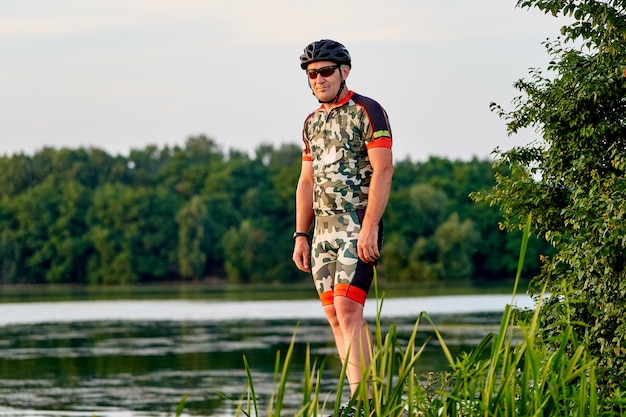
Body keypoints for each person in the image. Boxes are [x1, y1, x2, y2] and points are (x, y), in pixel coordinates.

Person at [292, 39, 394, 416]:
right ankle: (361, 401)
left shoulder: (368, 110)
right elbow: (305, 181)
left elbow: (383, 170)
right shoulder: (311, 122)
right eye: (311, 74)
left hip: (356, 223)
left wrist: (370, 228)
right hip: (321, 232)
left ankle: (369, 402)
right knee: (334, 315)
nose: (318, 79)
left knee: (350, 309)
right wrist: (301, 236)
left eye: (325, 72)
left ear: (344, 72)